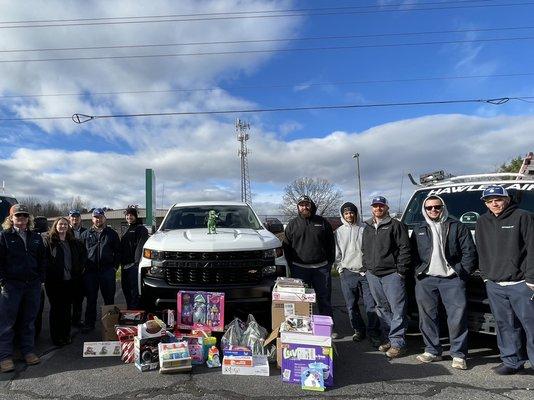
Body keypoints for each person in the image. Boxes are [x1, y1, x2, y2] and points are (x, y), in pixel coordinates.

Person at [411, 195, 477, 370]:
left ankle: (458, 354)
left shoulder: (457, 226)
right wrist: (417, 272)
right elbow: (412, 254)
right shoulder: (419, 229)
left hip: (452, 279)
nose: (433, 210)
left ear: (443, 207)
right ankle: (432, 350)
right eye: (429, 208)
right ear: (424, 210)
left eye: (437, 207)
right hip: (426, 279)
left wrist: (462, 271)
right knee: (427, 317)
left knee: (457, 318)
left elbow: (469, 252)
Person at [475, 185, 534, 375]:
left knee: (531, 325)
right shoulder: (482, 221)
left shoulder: (523, 216)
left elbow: (532, 249)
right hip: (495, 284)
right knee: (505, 325)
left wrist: (531, 279)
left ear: (507, 199)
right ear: (486, 203)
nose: (494, 203)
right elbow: (481, 249)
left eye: (498, 199)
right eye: (489, 200)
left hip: (521, 284)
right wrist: (485, 275)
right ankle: (511, 361)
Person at [362, 196, 411, 358]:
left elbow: (405, 249)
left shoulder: (396, 225)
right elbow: (364, 249)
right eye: (375, 206)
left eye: (381, 206)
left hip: (392, 274)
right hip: (373, 274)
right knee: (381, 308)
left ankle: (398, 343)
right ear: (372, 208)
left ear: (386, 207)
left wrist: (401, 271)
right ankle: (391, 338)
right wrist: (366, 267)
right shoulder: (367, 226)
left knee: (398, 309)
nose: (378, 209)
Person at [0, 205, 47, 373]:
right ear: (11, 218)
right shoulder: (4, 237)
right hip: (12, 285)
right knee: (7, 323)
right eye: (17, 216)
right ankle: (5, 356)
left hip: (32, 285)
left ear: (28, 219)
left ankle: (28, 351)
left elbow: (42, 259)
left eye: (24, 216)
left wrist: (41, 278)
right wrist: (3, 280)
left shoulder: (35, 237)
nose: (21, 219)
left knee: (28, 320)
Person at [283, 195, 336, 330]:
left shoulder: (322, 222)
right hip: (299, 269)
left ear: (311, 205)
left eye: (307, 204)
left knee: (324, 300)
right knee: (302, 301)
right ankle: (304, 329)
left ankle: (325, 329)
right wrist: (291, 265)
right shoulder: (292, 224)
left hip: (321, 269)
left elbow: (331, 244)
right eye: (301, 205)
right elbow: (287, 246)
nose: (304, 207)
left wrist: (329, 263)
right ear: (298, 207)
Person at [335, 202, 381, 346]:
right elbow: (337, 253)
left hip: (366, 273)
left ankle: (374, 332)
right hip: (348, 273)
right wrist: (340, 268)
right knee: (351, 305)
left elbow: (372, 250)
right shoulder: (338, 232)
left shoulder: (365, 229)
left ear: (356, 213)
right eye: (346, 213)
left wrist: (368, 268)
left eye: (352, 212)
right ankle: (358, 330)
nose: (349, 215)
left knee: (370, 305)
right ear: (343, 215)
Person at [42, 217, 86, 346]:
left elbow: (83, 255)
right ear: (55, 226)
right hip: (54, 282)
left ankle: (66, 335)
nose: (63, 227)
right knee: (56, 309)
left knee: (67, 309)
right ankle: (56, 337)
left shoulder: (73, 242)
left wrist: (79, 269)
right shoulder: (49, 242)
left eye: (65, 224)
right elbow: (44, 260)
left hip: (70, 282)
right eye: (60, 224)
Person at [80, 208, 120, 333]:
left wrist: (114, 267)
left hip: (107, 271)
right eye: (96, 217)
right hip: (90, 272)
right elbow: (81, 253)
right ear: (92, 219)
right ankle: (89, 324)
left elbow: (118, 252)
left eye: (100, 217)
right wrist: (83, 267)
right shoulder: (85, 234)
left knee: (109, 299)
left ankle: (111, 324)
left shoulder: (111, 234)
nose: (98, 219)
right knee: (91, 299)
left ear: (104, 218)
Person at [120, 206, 149, 309]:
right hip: (124, 265)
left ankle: (135, 312)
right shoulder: (126, 229)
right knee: (126, 289)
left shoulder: (141, 229)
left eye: (131, 215)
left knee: (134, 291)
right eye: (127, 215)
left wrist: (136, 263)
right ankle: (129, 310)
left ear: (135, 216)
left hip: (134, 265)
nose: (129, 217)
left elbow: (140, 246)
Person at [68, 209, 87, 327]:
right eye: (73, 218)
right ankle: (67, 320)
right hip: (68, 270)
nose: (75, 220)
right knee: (67, 298)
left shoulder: (86, 232)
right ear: (69, 218)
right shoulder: (65, 230)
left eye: (77, 218)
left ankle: (76, 320)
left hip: (81, 270)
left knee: (79, 298)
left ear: (80, 219)